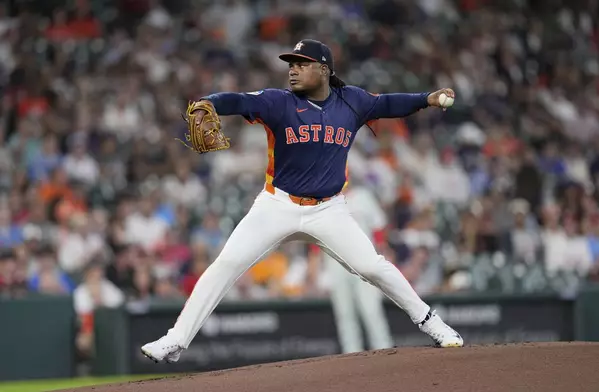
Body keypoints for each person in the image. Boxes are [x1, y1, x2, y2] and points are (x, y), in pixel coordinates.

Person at [141, 39, 463, 364]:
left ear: (324, 69)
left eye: (301, 64)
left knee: (372, 266)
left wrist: (428, 99)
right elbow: (237, 101)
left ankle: (432, 323)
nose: (293, 70)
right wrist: (208, 102)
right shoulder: (278, 102)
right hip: (277, 204)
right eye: (291, 64)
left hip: (328, 209)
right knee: (225, 265)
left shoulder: (351, 101)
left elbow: (389, 103)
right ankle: (175, 340)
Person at [310, 178, 394, 353]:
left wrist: (384, 257)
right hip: (335, 262)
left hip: (363, 259)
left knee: (370, 309)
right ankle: (351, 355)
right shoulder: (321, 198)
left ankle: (385, 350)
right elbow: (315, 237)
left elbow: (378, 228)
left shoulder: (363, 197)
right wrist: (314, 270)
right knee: (344, 313)